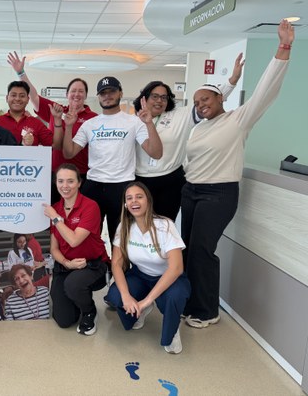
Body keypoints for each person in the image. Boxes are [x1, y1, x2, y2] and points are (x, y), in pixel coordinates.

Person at [181, 20, 294, 329]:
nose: (201, 105)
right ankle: (190, 302)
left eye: (206, 99)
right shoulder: (199, 127)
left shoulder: (238, 120)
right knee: (188, 248)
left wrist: (283, 49)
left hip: (218, 194)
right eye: (197, 102)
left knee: (203, 251)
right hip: (191, 191)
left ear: (221, 99)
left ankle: (207, 310)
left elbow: (265, 91)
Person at [132, 55, 244, 220]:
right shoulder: (133, 121)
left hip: (170, 180)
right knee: (139, 224)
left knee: (165, 225)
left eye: (164, 97)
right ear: (144, 98)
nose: (159, 101)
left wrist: (233, 80)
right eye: (154, 96)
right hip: (140, 180)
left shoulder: (181, 115)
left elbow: (210, 99)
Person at [63, 77, 163, 242]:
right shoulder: (90, 124)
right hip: (93, 185)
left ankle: (119, 268)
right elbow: (69, 153)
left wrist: (149, 123)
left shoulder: (134, 122)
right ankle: (96, 267)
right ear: (98, 97)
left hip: (121, 186)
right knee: (88, 237)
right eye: (103, 93)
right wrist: (68, 126)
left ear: (120, 93)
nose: (107, 96)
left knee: (119, 238)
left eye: (112, 91)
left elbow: (156, 153)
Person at [105, 182, 191, 354]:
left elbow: (176, 268)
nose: (134, 201)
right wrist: (126, 295)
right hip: (140, 276)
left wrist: (148, 299)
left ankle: (171, 330)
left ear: (148, 200)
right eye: (129, 198)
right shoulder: (124, 227)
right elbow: (116, 263)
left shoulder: (165, 225)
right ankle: (139, 311)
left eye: (139, 196)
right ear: (125, 204)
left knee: (175, 297)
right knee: (115, 295)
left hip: (168, 277)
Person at [43, 163, 109, 335]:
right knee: (64, 320)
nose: (65, 186)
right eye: (60, 181)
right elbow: (54, 248)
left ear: (79, 183)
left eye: (70, 181)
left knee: (73, 284)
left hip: (91, 265)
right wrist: (67, 263)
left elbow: (74, 241)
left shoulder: (90, 206)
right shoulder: (56, 208)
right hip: (66, 266)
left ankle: (89, 311)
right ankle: (75, 298)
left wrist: (56, 219)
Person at [8, 52, 97, 178]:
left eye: (81, 91)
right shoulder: (56, 110)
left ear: (86, 96)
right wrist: (21, 73)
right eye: (73, 91)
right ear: (67, 94)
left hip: (81, 174)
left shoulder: (94, 118)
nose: (76, 94)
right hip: (53, 172)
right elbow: (33, 96)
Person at [0, 81, 62, 148]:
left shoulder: (36, 124)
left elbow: (56, 145)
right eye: (13, 95)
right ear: (7, 98)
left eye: (22, 96)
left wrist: (57, 119)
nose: (17, 99)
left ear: (28, 99)